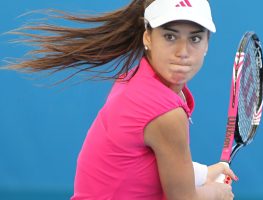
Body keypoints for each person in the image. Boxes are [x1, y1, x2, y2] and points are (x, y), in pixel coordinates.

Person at [5, 0, 238, 199]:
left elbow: (133, 165)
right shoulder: (166, 114)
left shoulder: (134, 79)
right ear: (148, 37)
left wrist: (202, 174)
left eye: (195, 39)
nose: (183, 51)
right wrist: (217, 192)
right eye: (170, 36)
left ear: (207, 43)